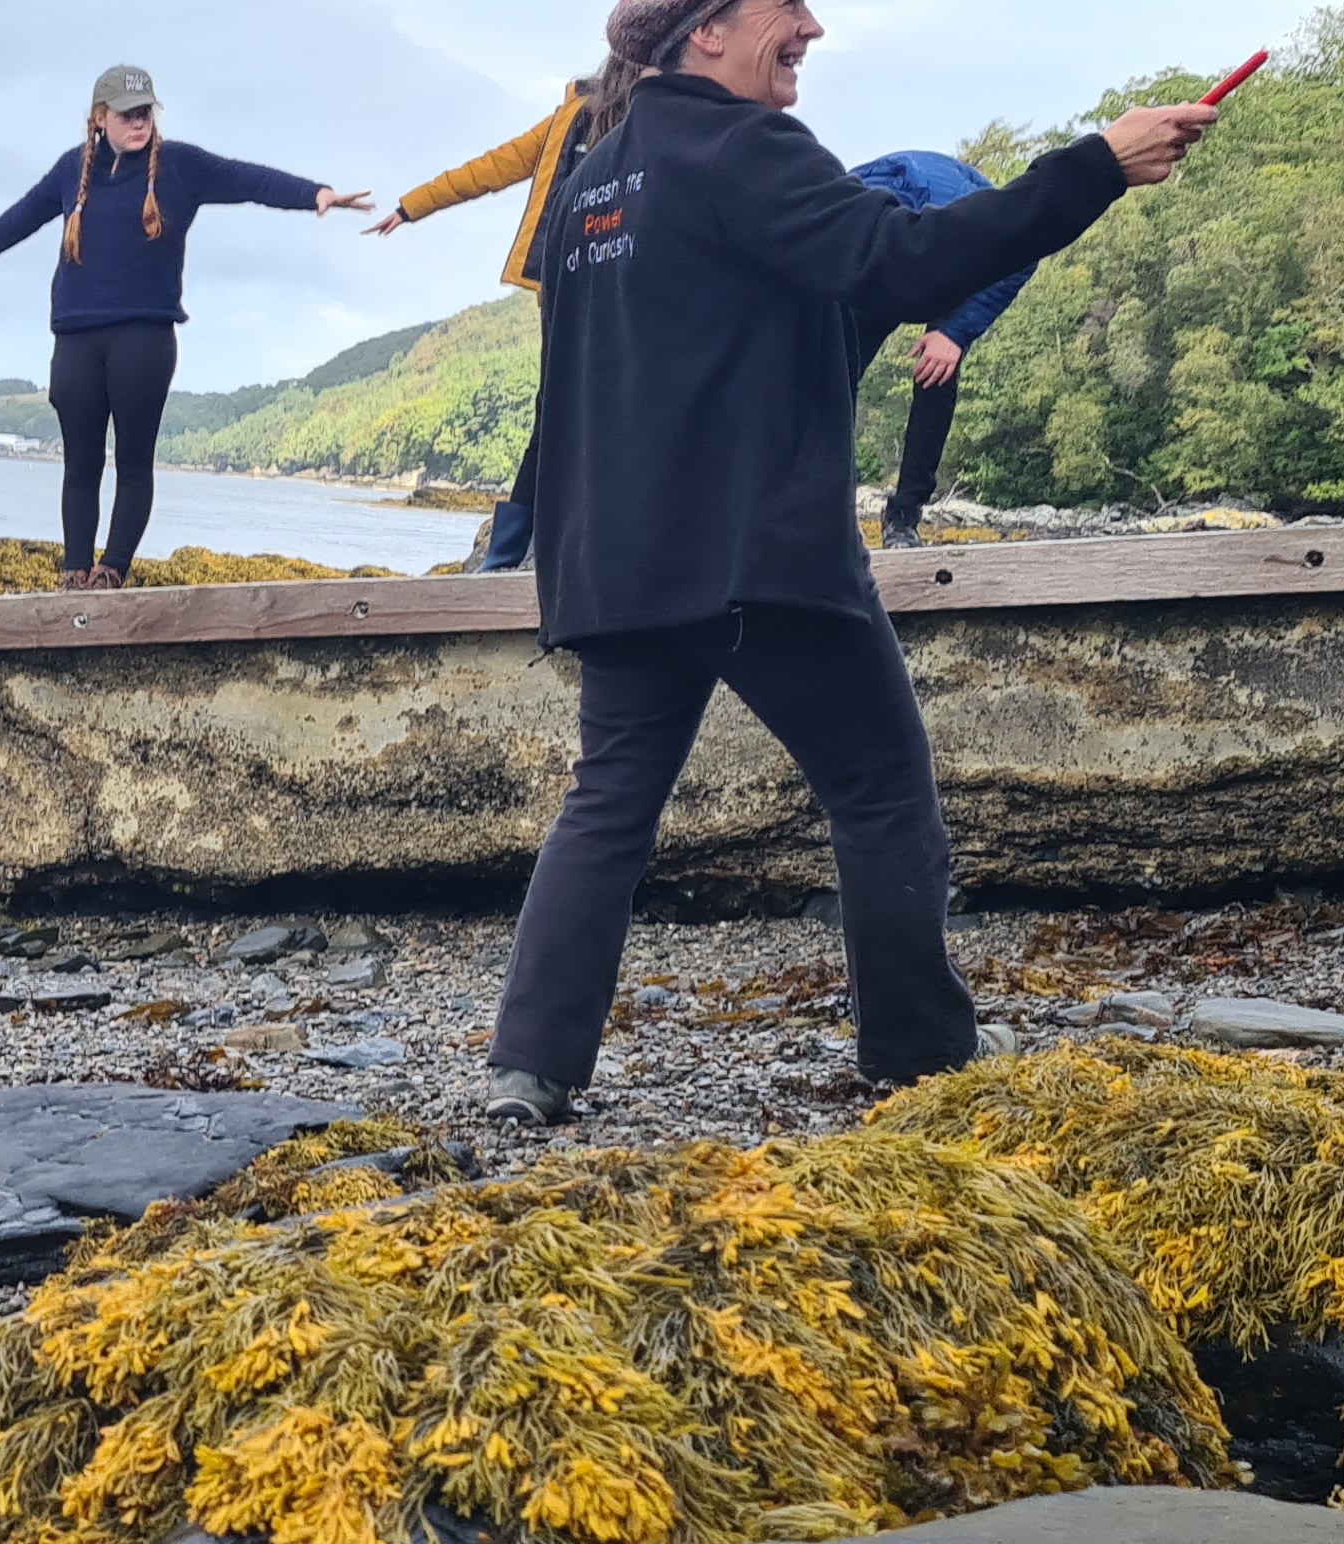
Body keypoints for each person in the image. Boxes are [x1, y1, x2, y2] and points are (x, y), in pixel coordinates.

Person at [479, 0, 1215, 1125]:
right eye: (787, 8)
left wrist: (545, 555)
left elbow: (591, 379)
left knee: (610, 804)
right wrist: (1095, 167)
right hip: (752, 559)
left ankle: (528, 1070)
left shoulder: (595, 179)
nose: (812, 26)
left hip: (615, 564)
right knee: (879, 791)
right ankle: (918, 1060)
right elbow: (908, 260)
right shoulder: (744, 146)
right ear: (707, 33)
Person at [0, 67, 371, 591]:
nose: (140, 121)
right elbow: (27, 213)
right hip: (77, 336)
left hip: (143, 339)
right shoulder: (71, 170)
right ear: (100, 118)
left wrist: (316, 195)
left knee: (133, 459)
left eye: (147, 111)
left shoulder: (178, 167)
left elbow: (247, 179)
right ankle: (74, 570)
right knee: (80, 463)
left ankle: (113, 569)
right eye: (129, 114)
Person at [367, 66, 638, 573]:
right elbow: (491, 170)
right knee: (554, 409)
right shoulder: (570, 122)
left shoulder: (657, 124)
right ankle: (509, 552)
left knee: (588, 407)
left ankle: (529, 548)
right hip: (566, 286)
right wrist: (411, 207)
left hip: (627, 285)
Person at [848, 150, 1035, 547]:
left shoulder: (965, 221)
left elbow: (1025, 251)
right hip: (876, 268)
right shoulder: (834, 220)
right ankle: (825, 507)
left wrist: (955, 334)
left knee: (938, 371)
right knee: (829, 379)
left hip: (950, 261)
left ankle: (904, 516)